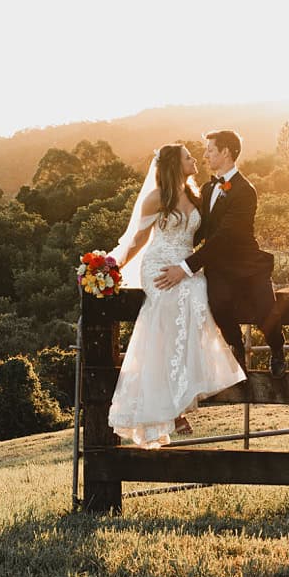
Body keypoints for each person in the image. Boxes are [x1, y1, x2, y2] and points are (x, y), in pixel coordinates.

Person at [107, 143, 245, 448]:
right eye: (188, 157)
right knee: (173, 305)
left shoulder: (198, 196)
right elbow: (138, 239)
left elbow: (211, 237)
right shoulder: (156, 199)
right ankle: (175, 409)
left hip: (186, 265)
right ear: (174, 165)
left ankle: (180, 395)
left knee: (198, 293)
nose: (195, 159)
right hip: (158, 266)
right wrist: (112, 268)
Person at [154, 129, 288, 378]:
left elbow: (224, 237)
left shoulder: (245, 191)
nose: (205, 155)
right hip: (219, 267)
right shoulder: (207, 189)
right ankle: (236, 349)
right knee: (217, 303)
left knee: (265, 308)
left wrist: (185, 267)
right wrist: (170, 244)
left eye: (210, 150)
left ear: (226, 152)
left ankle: (278, 349)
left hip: (248, 264)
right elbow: (200, 229)